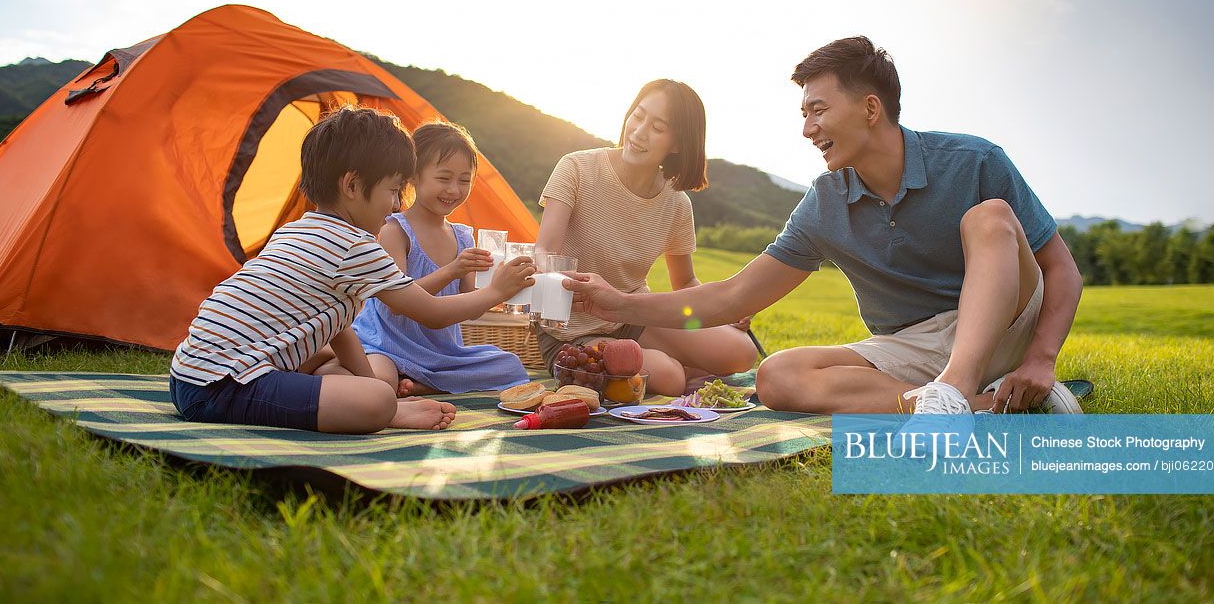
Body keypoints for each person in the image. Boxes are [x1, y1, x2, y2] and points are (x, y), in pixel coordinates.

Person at [565, 37, 1084, 416]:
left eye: (818, 110)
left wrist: (1040, 359)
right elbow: (730, 298)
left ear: (871, 108)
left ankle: (953, 393)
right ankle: (979, 406)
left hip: (1006, 324)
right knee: (777, 376)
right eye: (803, 113)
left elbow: (1061, 270)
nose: (807, 128)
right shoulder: (825, 203)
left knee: (989, 216)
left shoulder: (973, 161)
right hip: (911, 346)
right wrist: (623, 304)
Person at [168, 106, 534, 434]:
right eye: (393, 191)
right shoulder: (356, 246)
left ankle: (372, 398)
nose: (394, 204)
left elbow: (338, 326)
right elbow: (433, 313)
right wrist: (496, 291)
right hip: (223, 387)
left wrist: (369, 381)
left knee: (346, 368)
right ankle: (387, 412)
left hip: (188, 373)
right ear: (353, 186)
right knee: (372, 401)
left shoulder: (298, 228)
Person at [536, 79, 757, 396]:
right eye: (637, 116)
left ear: (678, 143)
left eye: (658, 127)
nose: (639, 132)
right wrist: (558, 281)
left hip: (633, 316)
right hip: (571, 331)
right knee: (668, 377)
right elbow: (545, 249)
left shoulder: (677, 203)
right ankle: (666, 365)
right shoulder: (577, 167)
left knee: (741, 351)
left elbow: (685, 284)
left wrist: (723, 314)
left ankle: (664, 361)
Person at [352, 121, 530, 396]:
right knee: (381, 383)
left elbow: (473, 307)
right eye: (444, 178)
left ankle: (421, 385)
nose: (453, 190)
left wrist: (499, 287)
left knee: (510, 366)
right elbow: (396, 305)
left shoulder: (462, 238)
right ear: (413, 176)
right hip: (386, 343)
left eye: (464, 181)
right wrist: (452, 270)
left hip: (439, 352)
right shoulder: (394, 231)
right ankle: (416, 384)